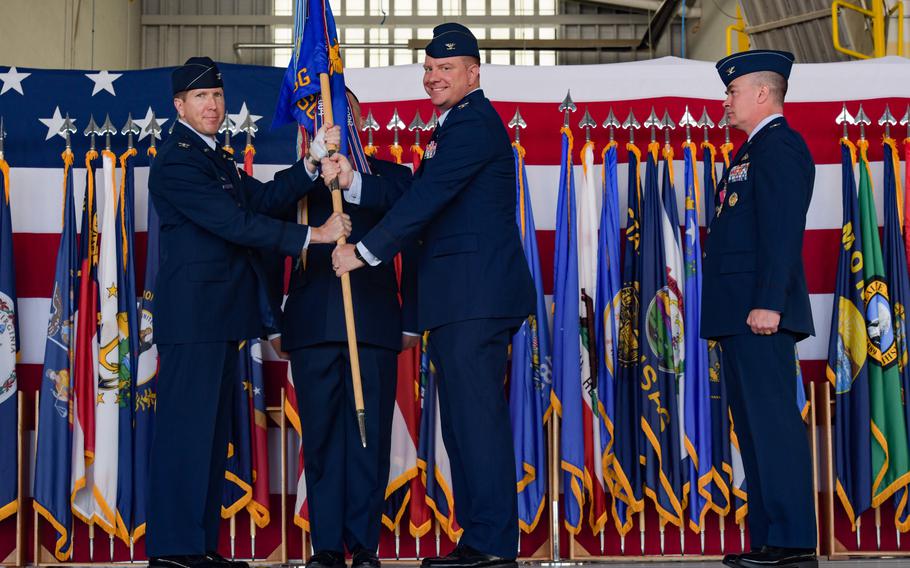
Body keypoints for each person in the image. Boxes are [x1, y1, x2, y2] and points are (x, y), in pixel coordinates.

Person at [331, 23, 535, 568]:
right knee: (466, 426)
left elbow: (427, 200)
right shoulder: (452, 127)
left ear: (473, 73)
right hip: (456, 300)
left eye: (445, 69)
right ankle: (479, 540)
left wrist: (366, 251)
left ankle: (492, 545)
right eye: (428, 68)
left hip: (475, 297)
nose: (433, 77)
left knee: (477, 422)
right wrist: (354, 183)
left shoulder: (473, 126)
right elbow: (418, 191)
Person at [146, 56, 351, 568]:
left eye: (216, 96)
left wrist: (309, 166)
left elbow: (261, 199)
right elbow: (234, 223)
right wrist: (314, 235)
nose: (212, 105)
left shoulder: (213, 156)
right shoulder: (177, 159)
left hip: (218, 317)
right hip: (194, 318)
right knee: (185, 436)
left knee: (210, 439)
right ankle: (174, 550)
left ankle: (198, 547)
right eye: (200, 98)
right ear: (179, 106)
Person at [274, 89, 417, 568]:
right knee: (320, 440)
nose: (332, 124)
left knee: (367, 440)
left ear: (356, 122)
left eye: (341, 114)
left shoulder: (389, 177)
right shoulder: (294, 182)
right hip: (312, 327)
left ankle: (364, 545)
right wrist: (273, 321)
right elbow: (267, 244)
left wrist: (352, 182)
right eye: (321, 117)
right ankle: (328, 547)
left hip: (372, 324)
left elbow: (410, 219)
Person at [701, 50, 817, 568]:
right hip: (739, 315)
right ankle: (771, 539)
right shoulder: (752, 151)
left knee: (773, 426)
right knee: (752, 431)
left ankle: (792, 542)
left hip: (759, 314)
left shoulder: (780, 147)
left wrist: (769, 302)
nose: (726, 101)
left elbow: (781, 232)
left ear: (762, 93)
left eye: (733, 91)